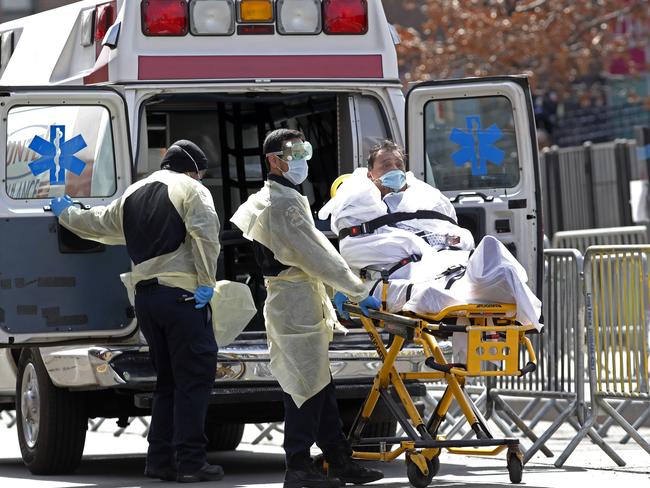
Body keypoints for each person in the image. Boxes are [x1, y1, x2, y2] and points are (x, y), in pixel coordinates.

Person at [49, 140, 224, 483]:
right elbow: (206, 236)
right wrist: (207, 282)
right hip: (184, 298)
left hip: (145, 300)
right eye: (200, 172)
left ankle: (159, 460)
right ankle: (191, 462)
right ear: (194, 169)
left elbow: (98, 224)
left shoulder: (132, 193)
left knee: (167, 383)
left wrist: (66, 212)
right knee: (193, 381)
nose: (201, 177)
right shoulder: (191, 189)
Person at [231, 129, 384, 488]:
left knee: (319, 384)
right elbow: (316, 255)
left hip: (295, 299)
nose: (300, 159)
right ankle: (297, 467)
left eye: (304, 150)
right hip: (295, 301)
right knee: (304, 386)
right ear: (273, 159)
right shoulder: (282, 204)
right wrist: (356, 290)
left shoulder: (274, 198)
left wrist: (338, 289)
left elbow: (312, 256)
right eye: (293, 152)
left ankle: (338, 457)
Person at [318, 140, 542, 332]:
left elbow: (456, 235)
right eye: (386, 165)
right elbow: (360, 250)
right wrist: (412, 245)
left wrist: (450, 240)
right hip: (412, 275)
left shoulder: (424, 199)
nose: (394, 169)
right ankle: (481, 285)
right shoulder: (364, 207)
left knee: (494, 254)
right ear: (370, 175)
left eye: (399, 164)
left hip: (449, 264)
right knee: (436, 292)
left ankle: (486, 279)